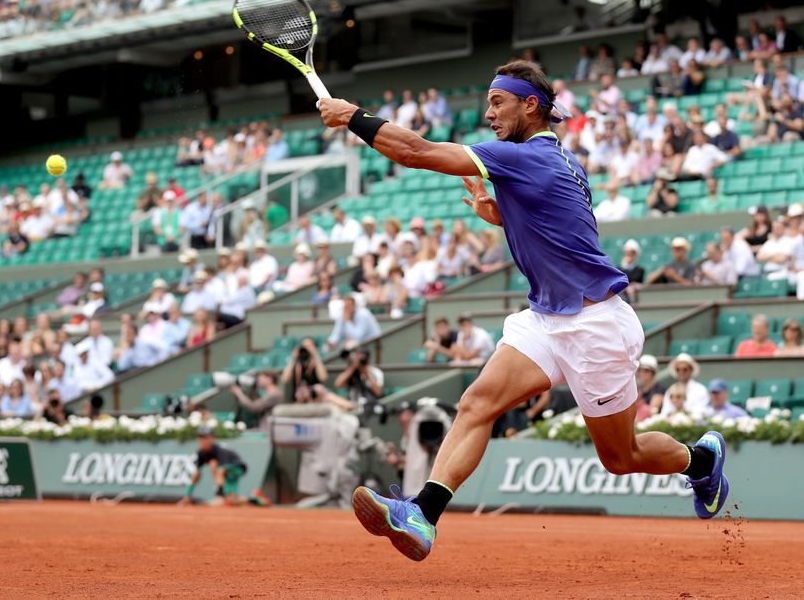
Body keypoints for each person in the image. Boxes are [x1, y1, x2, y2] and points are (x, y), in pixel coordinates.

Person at [318, 59, 729, 561]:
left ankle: (700, 460)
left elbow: (416, 151)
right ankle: (422, 515)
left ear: (529, 105)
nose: (488, 113)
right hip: (545, 318)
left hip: (595, 324)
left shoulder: (527, 157)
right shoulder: (562, 161)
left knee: (622, 457)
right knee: (476, 403)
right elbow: (562, 227)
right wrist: (501, 214)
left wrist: (352, 116)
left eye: (497, 102)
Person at [179, 426, 265, 507]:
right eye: (200, 437)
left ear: (212, 438)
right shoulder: (201, 453)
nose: (202, 440)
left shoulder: (219, 450)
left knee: (214, 464)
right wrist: (188, 495)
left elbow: (221, 471)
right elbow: (196, 474)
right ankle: (255, 499)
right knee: (232, 501)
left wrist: (219, 495)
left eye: (205, 437)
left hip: (238, 469)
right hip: (227, 473)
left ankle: (219, 496)